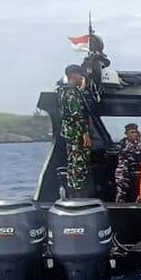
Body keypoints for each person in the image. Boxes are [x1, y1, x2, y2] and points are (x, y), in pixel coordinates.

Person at [58, 64, 92, 197]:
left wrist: (81, 89)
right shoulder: (71, 92)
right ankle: (79, 195)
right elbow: (76, 114)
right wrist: (85, 133)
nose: (81, 78)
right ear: (73, 75)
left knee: (72, 163)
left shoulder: (64, 91)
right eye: (80, 75)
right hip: (77, 134)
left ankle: (73, 193)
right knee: (78, 164)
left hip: (70, 134)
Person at [114, 123, 141, 202]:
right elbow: (139, 152)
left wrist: (139, 141)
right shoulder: (124, 143)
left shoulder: (136, 143)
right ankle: (119, 209)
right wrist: (139, 141)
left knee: (136, 191)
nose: (134, 134)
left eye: (136, 132)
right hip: (123, 172)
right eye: (132, 132)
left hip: (134, 171)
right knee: (122, 192)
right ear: (126, 133)